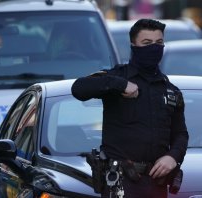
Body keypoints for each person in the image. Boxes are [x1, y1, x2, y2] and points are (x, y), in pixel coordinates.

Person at [71, 19, 188, 198]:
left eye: (159, 43)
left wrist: (173, 157)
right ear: (133, 45)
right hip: (120, 181)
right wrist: (119, 84)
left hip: (156, 181)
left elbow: (180, 134)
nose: (154, 48)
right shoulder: (116, 77)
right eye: (147, 43)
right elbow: (78, 88)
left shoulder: (170, 90)